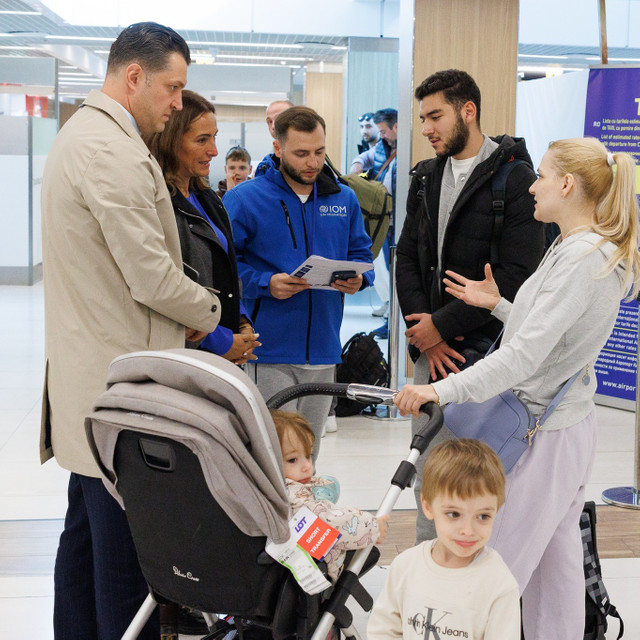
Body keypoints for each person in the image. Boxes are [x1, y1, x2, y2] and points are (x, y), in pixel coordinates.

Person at [395, 138, 640, 640]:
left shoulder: (579, 258)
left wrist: (442, 391)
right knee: (555, 571)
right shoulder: (580, 249)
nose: (533, 185)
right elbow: (553, 338)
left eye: (544, 176)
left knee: (496, 565)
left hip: (543, 432)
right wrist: (499, 306)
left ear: (568, 185)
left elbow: (524, 357)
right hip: (562, 426)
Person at [41, 23, 222, 640]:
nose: (177, 103)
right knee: (125, 562)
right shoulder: (109, 151)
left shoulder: (91, 137)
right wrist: (212, 311)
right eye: (172, 88)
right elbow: (150, 276)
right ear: (134, 76)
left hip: (96, 385)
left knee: (85, 543)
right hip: (115, 392)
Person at [396, 69, 543, 542]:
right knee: (429, 468)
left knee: (479, 475)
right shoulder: (426, 176)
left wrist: (442, 326)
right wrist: (424, 333)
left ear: (468, 110)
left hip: (486, 353)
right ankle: (426, 567)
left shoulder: (515, 179)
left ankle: (477, 578)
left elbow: (518, 276)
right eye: (422, 119)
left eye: (435, 116)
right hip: (431, 353)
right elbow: (407, 258)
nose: (426, 129)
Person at [224, 106, 374, 463]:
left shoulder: (343, 198)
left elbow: (362, 253)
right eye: (301, 153)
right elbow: (225, 268)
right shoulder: (245, 199)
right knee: (272, 457)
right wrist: (265, 282)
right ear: (278, 149)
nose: (312, 162)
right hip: (269, 351)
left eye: (319, 152)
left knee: (308, 456)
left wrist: (359, 279)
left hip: (323, 349)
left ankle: (304, 519)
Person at [146, 91, 260, 366]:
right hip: (188, 356)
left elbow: (224, 270)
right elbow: (167, 292)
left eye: (214, 137)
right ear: (171, 141)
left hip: (223, 343)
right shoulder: (160, 205)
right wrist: (220, 341)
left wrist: (241, 321)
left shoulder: (208, 199)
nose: (214, 150)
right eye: (202, 140)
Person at [367, 439, 520, 640]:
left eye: (483, 516)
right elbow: (383, 630)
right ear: (428, 506)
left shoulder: (498, 583)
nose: (467, 530)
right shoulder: (406, 566)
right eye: (454, 514)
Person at [271, 409, 389, 581]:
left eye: (308, 456)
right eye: (292, 460)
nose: (306, 467)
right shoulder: (293, 500)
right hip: (319, 569)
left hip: (288, 556)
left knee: (322, 486)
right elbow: (333, 524)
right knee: (366, 549)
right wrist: (373, 526)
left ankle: (322, 496)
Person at [350, 108, 398, 339]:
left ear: (396, 127)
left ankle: (393, 323)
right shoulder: (383, 147)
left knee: (398, 274)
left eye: (383, 131)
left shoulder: (407, 151)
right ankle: (390, 319)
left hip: (400, 223)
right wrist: (358, 164)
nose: (382, 136)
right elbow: (368, 156)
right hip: (386, 223)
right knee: (389, 272)